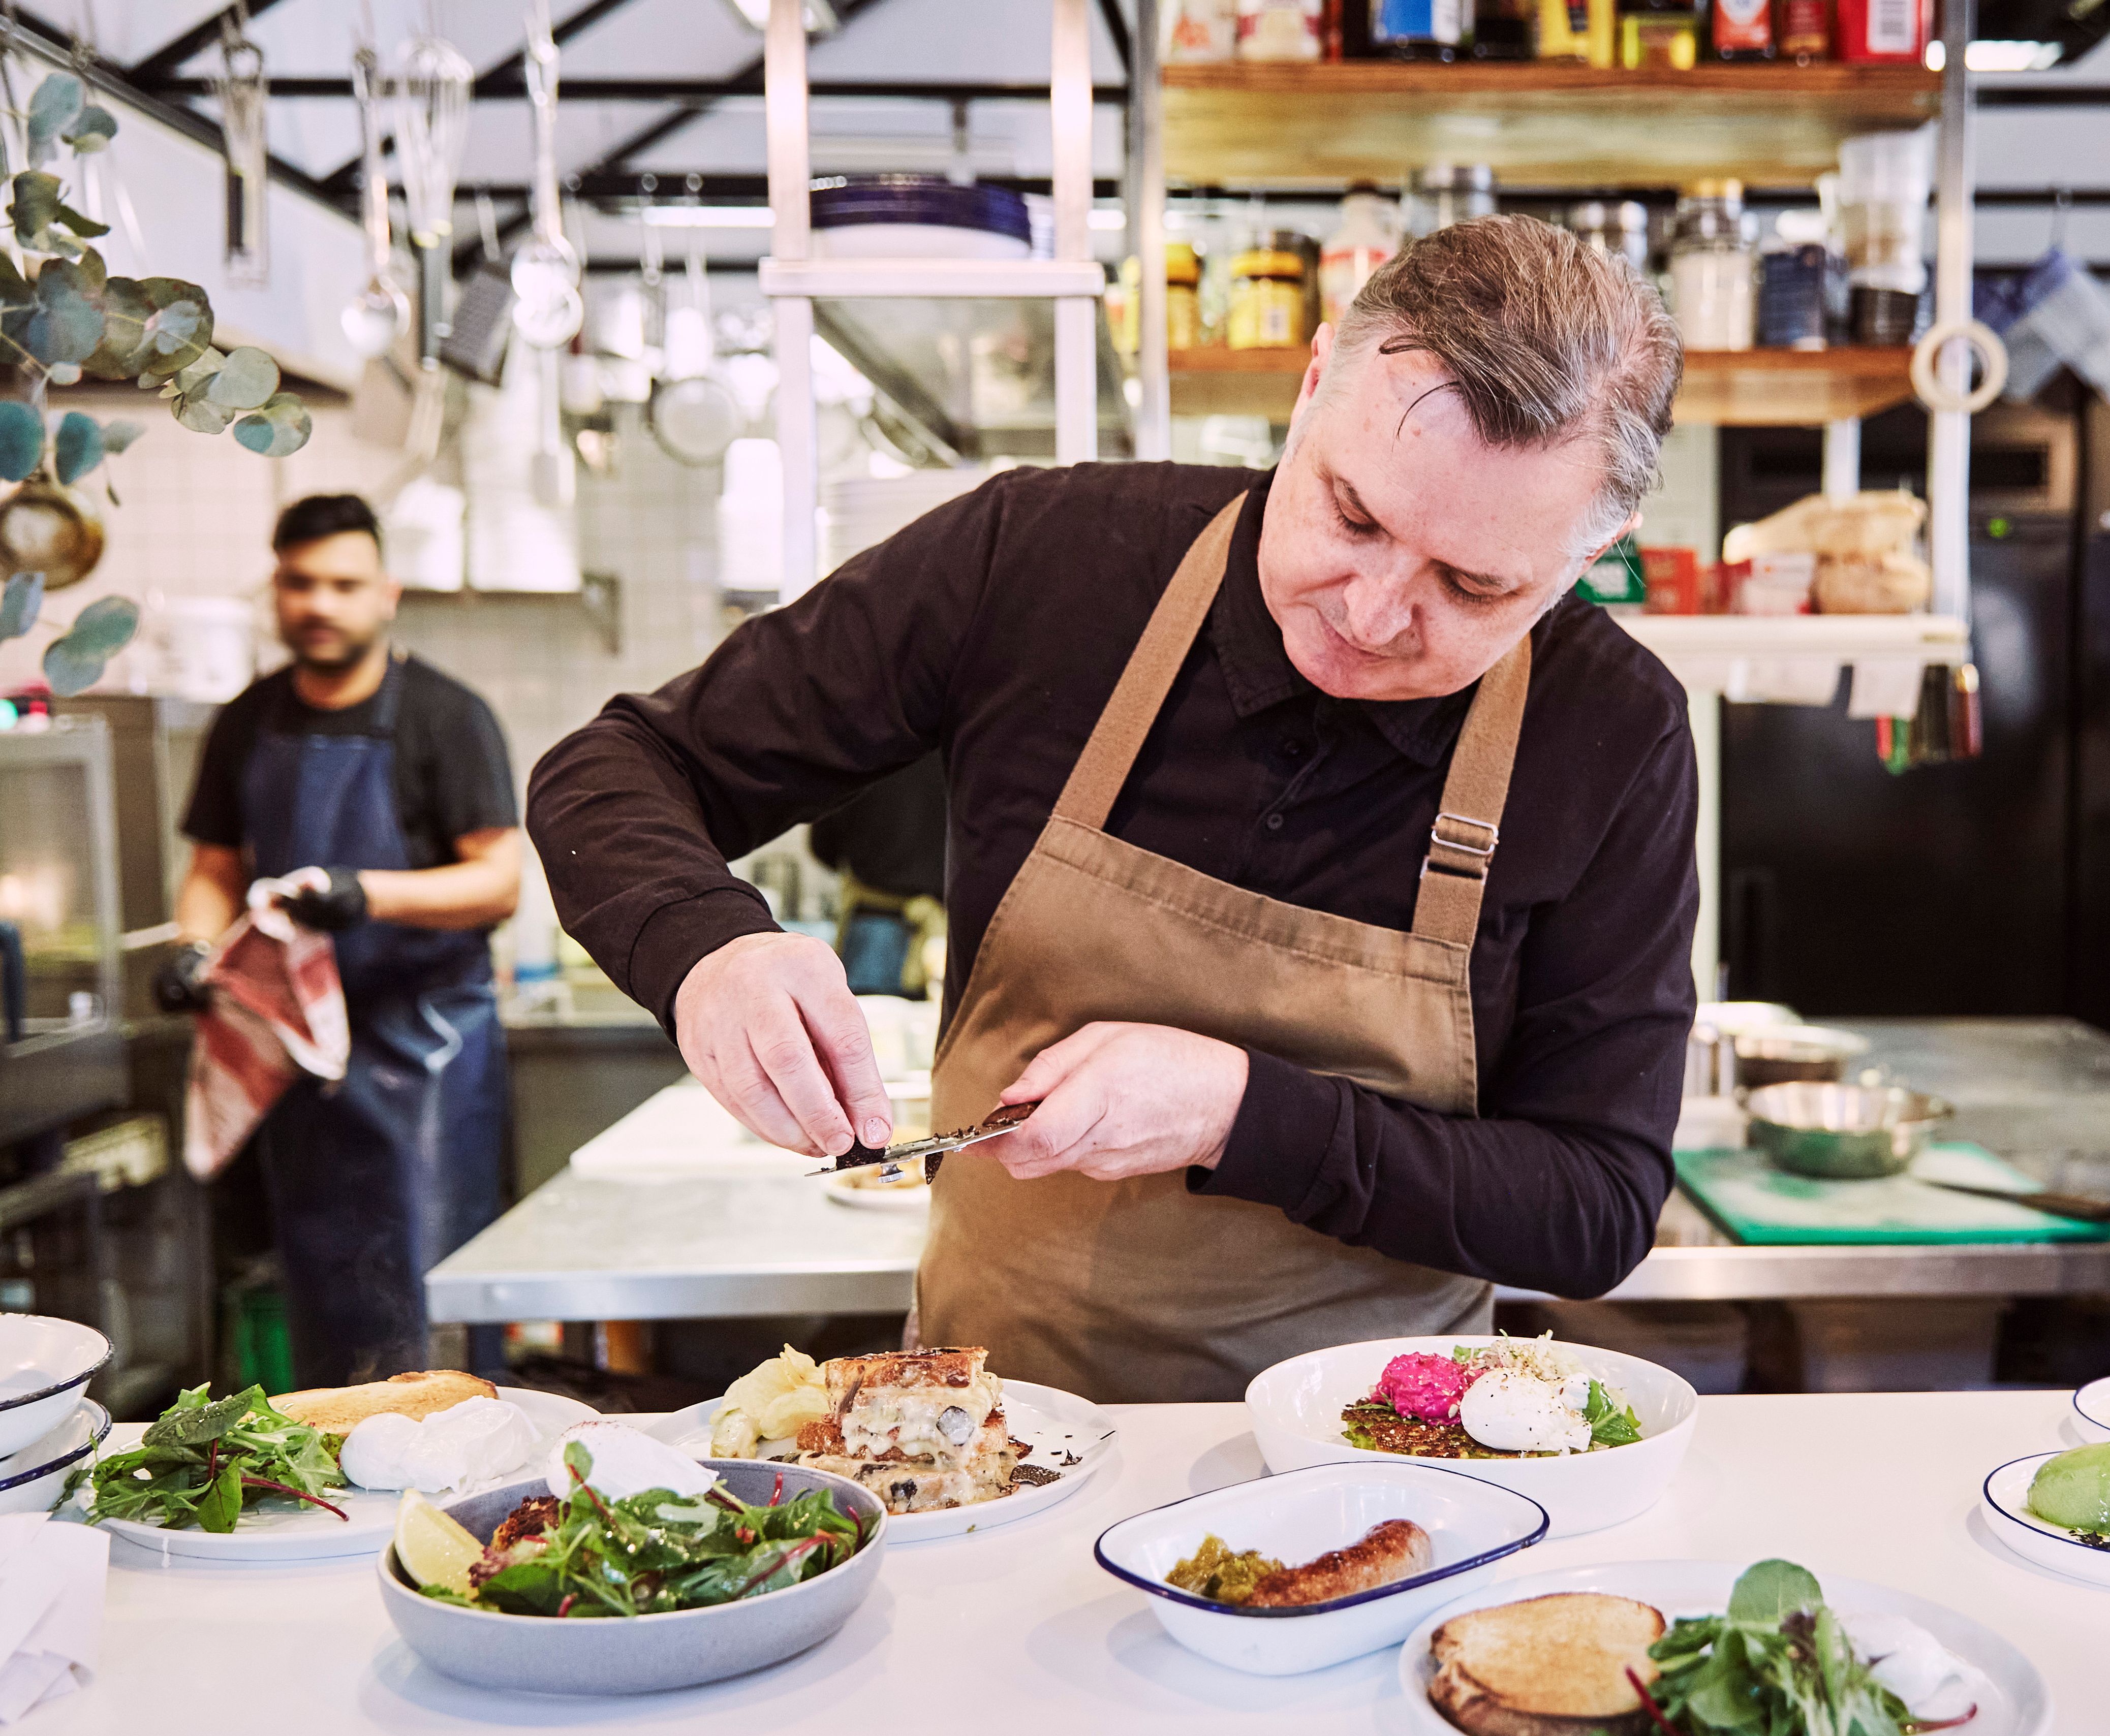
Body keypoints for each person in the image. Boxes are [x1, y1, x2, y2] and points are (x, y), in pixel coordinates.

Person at [530, 216, 1697, 1402]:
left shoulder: (1610, 729)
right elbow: (620, 764)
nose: (1372, 609)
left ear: (1590, 548)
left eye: (1471, 583)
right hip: (984, 1428)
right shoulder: (1045, 559)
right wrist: (706, 948)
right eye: (1351, 514)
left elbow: (1591, 1207)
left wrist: (1240, 1113)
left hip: (1386, 1464)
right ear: (1306, 393)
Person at [168, 494, 522, 1386]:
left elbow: (500, 881)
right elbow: (213, 867)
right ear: (275, 591)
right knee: (324, 1290)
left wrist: (368, 895)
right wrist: (192, 949)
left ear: (386, 593)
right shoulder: (248, 720)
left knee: (431, 1299)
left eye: (342, 583)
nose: (319, 604)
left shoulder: (448, 716)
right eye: (299, 583)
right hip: (300, 1062)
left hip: (430, 1053)